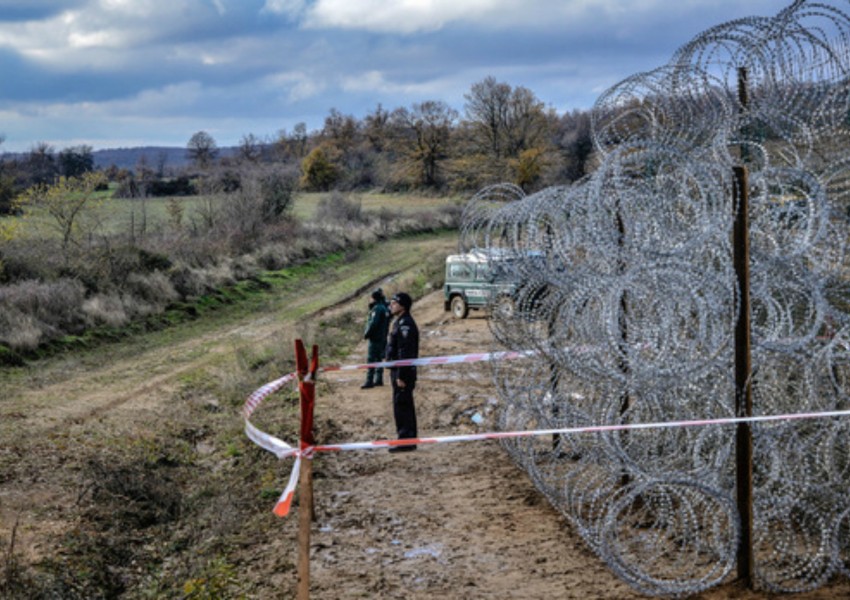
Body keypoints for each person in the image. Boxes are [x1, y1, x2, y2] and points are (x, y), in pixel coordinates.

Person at [385, 292, 419, 452]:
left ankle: (406, 441)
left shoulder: (406, 324)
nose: (391, 306)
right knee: (401, 405)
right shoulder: (398, 322)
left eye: (394, 303)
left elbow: (405, 352)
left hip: (403, 372)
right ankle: (406, 439)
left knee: (403, 406)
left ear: (403, 306)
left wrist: (401, 375)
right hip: (398, 370)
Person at [362, 288, 390, 389]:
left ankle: (369, 381)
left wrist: (367, 333)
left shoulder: (377, 309)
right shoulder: (385, 308)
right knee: (379, 358)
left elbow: (373, 323)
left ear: (374, 298)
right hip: (382, 337)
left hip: (375, 338)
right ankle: (379, 379)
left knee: (371, 359)